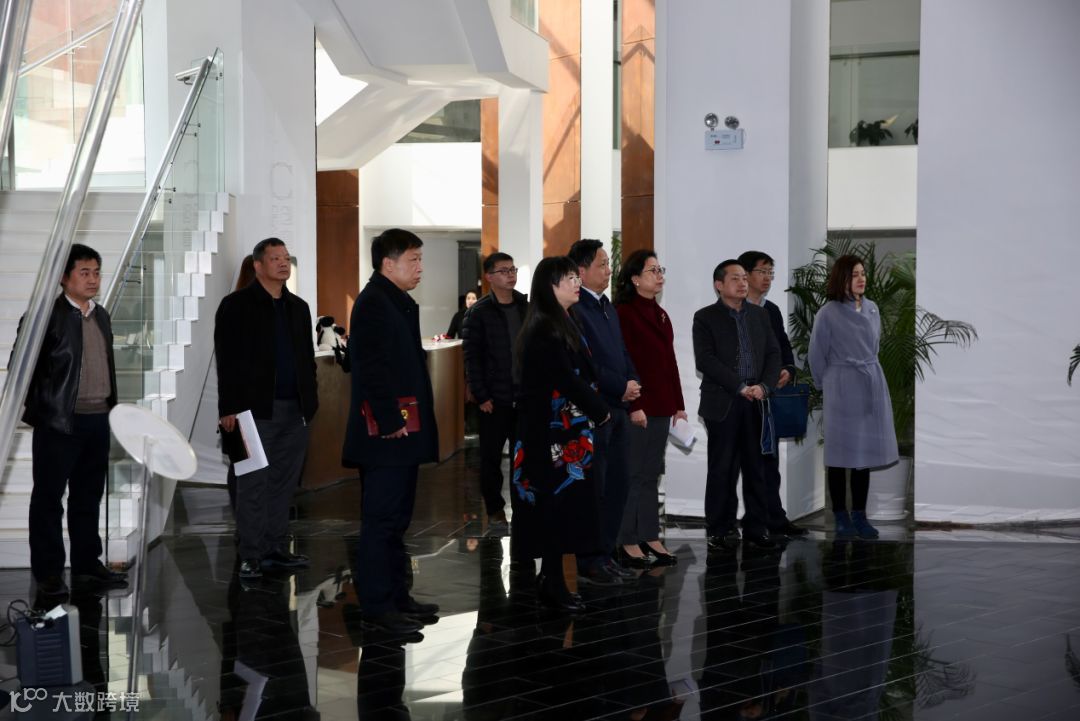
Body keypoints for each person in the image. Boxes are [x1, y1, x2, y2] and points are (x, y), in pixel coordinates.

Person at [342, 228, 440, 635]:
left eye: (420, 259)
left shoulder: (394, 300)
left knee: (397, 520)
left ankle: (399, 598)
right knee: (381, 521)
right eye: (413, 259)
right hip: (386, 435)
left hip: (401, 430)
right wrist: (389, 420)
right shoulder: (374, 303)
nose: (420, 267)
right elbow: (371, 369)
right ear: (388, 263)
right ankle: (379, 607)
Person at [21, 243, 128, 596]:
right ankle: (49, 572)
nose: (93, 279)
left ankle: (86, 565)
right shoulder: (45, 316)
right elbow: (23, 371)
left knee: (88, 496)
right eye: (84, 272)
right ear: (64, 277)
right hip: (60, 423)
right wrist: (45, 411)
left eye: (96, 272)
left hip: (98, 420)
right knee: (48, 499)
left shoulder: (101, 315)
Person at [215, 238, 318, 580]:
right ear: (258, 265)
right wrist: (229, 408)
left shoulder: (298, 308)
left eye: (286, 257)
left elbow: (306, 359)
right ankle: (251, 554)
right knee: (252, 484)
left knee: (283, 483)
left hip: (294, 411)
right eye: (275, 258)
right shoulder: (236, 305)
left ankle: (275, 549)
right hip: (251, 412)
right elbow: (227, 361)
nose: (283, 263)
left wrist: (311, 401)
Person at [512, 256, 610, 612]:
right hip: (549, 434)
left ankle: (551, 578)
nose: (576, 282)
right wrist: (601, 410)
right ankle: (552, 583)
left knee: (566, 508)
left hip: (567, 432)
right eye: (569, 278)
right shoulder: (543, 328)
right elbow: (565, 379)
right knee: (553, 507)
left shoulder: (567, 320)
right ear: (550, 286)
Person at [692, 260, 781, 551]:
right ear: (719, 285)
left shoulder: (760, 314)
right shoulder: (705, 317)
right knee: (723, 469)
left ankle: (757, 528)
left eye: (744, 278)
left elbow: (773, 354)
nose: (743, 283)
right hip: (724, 402)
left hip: (757, 400)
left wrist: (764, 386)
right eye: (735, 278)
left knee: (757, 468)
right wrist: (739, 386)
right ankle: (720, 529)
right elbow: (705, 360)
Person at [808, 254, 898, 539]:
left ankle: (860, 515)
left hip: (869, 382)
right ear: (841, 279)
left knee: (864, 454)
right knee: (839, 454)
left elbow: (875, 346)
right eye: (854, 274)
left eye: (863, 273)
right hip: (841, 386)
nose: (861, 279)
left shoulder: (872, 308)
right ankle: (840, 516)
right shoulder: (828, 312)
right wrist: (827, 385)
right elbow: (816, 354)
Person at [567, 239, 640, 585]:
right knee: (595, 489)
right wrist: (619, 386)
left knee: (617, 485)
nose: (610, 270)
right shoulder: (576, 310)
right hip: (596, 410)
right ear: (581, 271)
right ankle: (590, 560)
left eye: (609, 264)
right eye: (602, 264)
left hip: (619, 409)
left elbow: (622, 352)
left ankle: (606, 555)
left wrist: (632, 381)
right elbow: (588, 364)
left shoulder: (606, 306)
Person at [611, 250, 686, 567]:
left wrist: (679, 405)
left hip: (662, 405)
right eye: (652, 270)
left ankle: (649, 535)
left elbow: (670, 362)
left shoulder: (661, 314)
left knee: (651, 474)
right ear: (635, 278)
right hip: (639, 406)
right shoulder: (623, 313)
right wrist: (635, 405)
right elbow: (623, 364)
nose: (659, 275)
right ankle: (626, 539)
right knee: (633, 473)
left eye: (660, 269)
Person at [737, 250, 808, 538]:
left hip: (769, 398)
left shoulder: (772, 310)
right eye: (762, 272)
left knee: (770, 461)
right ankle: (753, 522)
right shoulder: (735, 309)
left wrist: (788, 369)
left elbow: (783, 347)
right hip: (743, 398)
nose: (767, 278)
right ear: (745, 274)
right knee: (747, 463)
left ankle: (775, 518)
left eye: (770, 273)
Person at [460, 253, 527, 534]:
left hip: (523, 398)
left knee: (523, 459)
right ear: (489, 277)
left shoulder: (525, 306)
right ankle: (496, 511)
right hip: (493, 400)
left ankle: (523, 510)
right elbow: (471, 358)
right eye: (503, 271)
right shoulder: (479, 312)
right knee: (490, 460)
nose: (510, 275)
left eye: (513, 269)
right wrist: (481, 394)